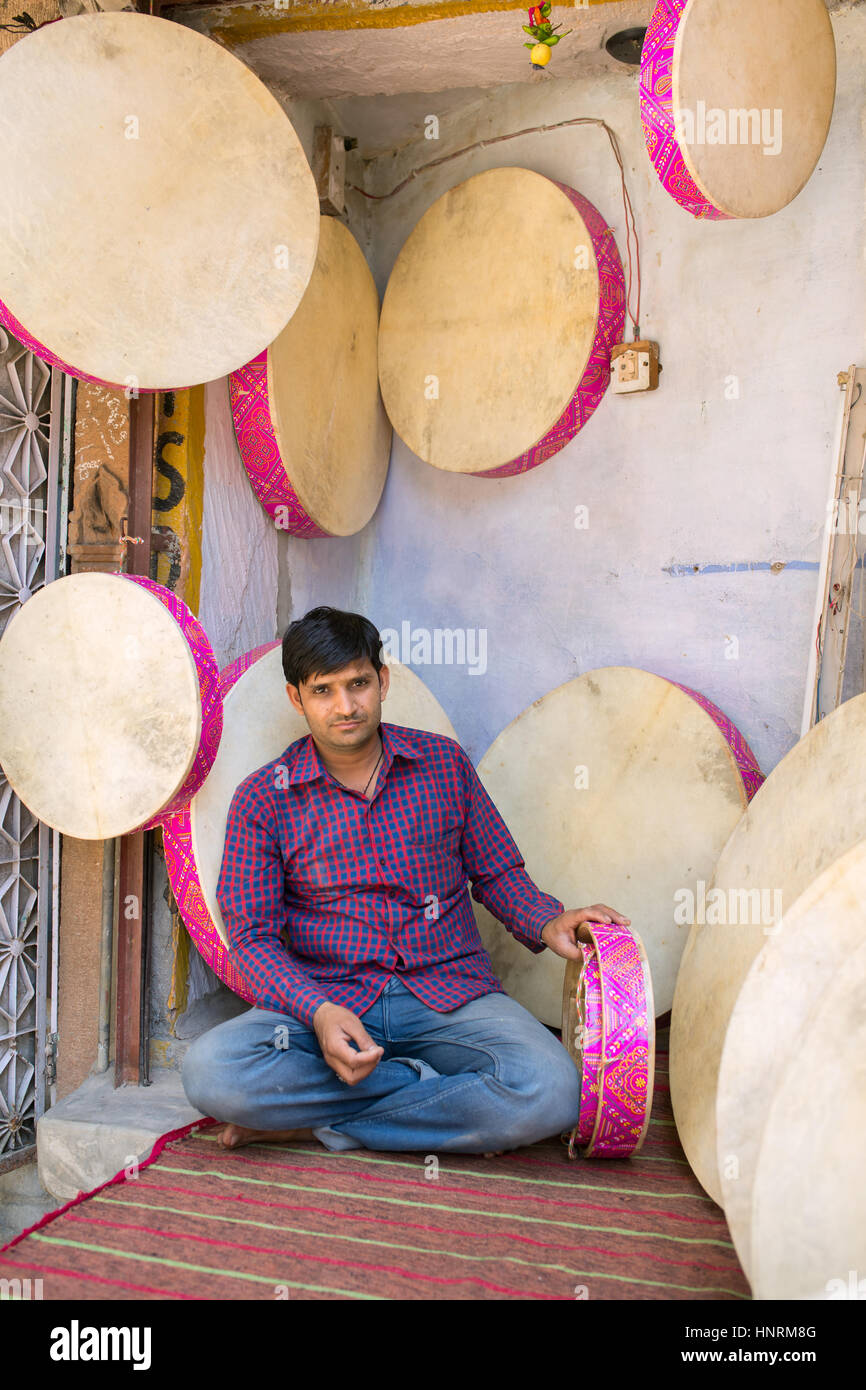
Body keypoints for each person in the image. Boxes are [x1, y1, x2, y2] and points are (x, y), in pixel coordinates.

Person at [181, 606, 630, 1155]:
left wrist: (547, 918)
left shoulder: (442, 765)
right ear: (296, 698)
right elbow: (252, 940)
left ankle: (323, 1125)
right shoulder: (263, 797)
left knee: (553, 1090)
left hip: (450, 995)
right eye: (323, 691)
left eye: (358, 684)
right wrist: (317, 1013)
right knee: (211, 1073)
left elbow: (497, 872)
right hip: (328, 995)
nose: (345, 706)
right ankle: (424, 1092)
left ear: (383, 680)